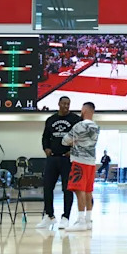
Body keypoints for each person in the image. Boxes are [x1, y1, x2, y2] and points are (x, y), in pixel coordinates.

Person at [36, 96, 81, 230]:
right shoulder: (51, 120)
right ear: (59, 104)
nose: (66, 106)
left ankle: (65, 217)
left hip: (67, 159)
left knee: (67, 189)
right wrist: (46, 149)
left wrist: (73, 151)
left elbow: (80, 138)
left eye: (68, 104)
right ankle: (49, 216)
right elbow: (45, 137)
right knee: (47, 187)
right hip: (52, 158)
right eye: (64, 103)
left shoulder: (75, 119)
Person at [62, 102, 100, 233]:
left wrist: (74, 141)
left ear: (83, 110)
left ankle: (81, 220)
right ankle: (88, 220)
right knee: (88, 190)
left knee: (79, 190)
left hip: (79, 161)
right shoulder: (96, 127)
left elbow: (65, 141)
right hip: (91, 162)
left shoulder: (79, 126)